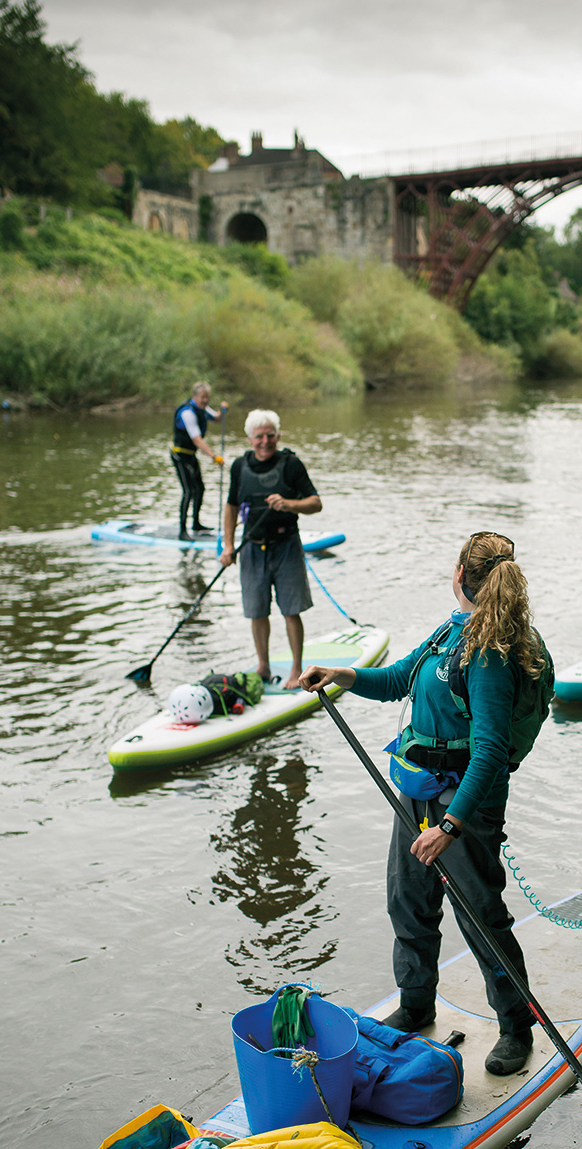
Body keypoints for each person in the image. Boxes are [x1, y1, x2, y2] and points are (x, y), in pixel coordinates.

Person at [300, 531, 544, 1077]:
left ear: (461, 574)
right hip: (415, 788)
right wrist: (341, 676)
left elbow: (490, 752)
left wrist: (451, 827)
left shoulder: (489, 656)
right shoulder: (447, 632)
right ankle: (415, 1005)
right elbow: (396, 680)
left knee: (481, 916)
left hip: (464, 804)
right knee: (407, 901)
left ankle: (515, 1027)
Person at [220, 409, 322, 689]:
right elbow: (230, 506)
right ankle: (262, 666)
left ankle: (295, 669)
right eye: (259, 436)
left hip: (286, 545)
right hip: (252, 548)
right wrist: (228, 545)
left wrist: (289, 504)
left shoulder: (291, 464)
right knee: (256, 611)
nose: (265, 441)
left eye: (270, 435)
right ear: (250, 438)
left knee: (291, 610)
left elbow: (315, 503)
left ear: (278, 436)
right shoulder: (239, 466)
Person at [171, 381, 226, 539]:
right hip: (180, 455)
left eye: (207, 397)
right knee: (189, 491)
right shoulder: (187, 413)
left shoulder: (201, 408)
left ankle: (196, 524)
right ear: (195, 396)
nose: (205, 401)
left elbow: (216, 419)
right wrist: (214, 456)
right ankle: (182, 530)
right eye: (202, 397)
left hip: (191, 455)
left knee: (200, 489)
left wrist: (223, 411)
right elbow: (197, 439)